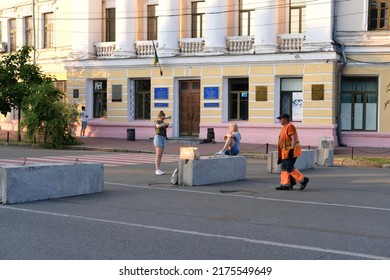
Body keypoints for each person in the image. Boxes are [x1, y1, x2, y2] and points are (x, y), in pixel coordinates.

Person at [276, 113, 309, 191]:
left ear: (285, 119)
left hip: (291, 152)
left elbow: (293, 138)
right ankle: (285, 185)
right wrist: (280, 156)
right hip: (285, 153)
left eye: (281, 119)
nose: (280, 120)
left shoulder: (290, 126)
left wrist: (291, 149)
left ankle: (303, 180)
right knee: (284, 168)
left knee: (289, 168)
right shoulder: (285, 127)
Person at [154, 111, 169, 175]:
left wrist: (165, 123)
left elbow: (165, 125)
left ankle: (159, 169)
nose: (163, 118)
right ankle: (157, 170)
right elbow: (158, 126)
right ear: (160, 116)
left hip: (163, 138)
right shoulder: (156, 121)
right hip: (158, 138)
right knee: (158, 155)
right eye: (162, 116)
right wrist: (165, 123)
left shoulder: (163, 122)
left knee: (160, 155)